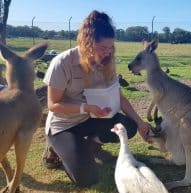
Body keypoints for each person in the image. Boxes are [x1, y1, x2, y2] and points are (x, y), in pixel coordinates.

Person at [42, 10, 151, 187]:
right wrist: (86, 107)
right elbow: (53, 105)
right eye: (102, 48)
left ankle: (91, 145)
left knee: (128, 126)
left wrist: (140, 122)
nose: (107, 53)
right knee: (87, 178)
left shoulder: (108, 62)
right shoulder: (62, 63)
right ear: (87, 43)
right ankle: (55, 149)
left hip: (92, 118)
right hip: (64, 125)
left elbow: (119, 96)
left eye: (110, 48)